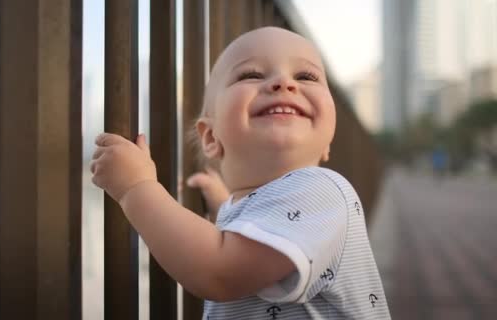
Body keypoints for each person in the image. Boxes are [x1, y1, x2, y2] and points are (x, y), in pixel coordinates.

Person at [91, 27, 391, 319]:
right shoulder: (281, 210)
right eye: (252, 75)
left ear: (328, 142)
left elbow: (219, 272)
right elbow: (259, 237)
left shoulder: (322, 190)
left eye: (306, 76)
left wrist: (136, 188)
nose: (284, 83)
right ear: (210, 137)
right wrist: (228, 206)